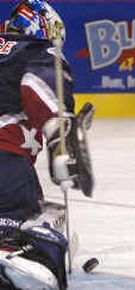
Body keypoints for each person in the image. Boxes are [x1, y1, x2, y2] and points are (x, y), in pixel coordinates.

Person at [0, 1, 93, 289]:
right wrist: (60, 134)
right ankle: (9, 252)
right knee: (38, 222)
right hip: (5, 164)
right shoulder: (37, 50)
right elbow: (39, 84)